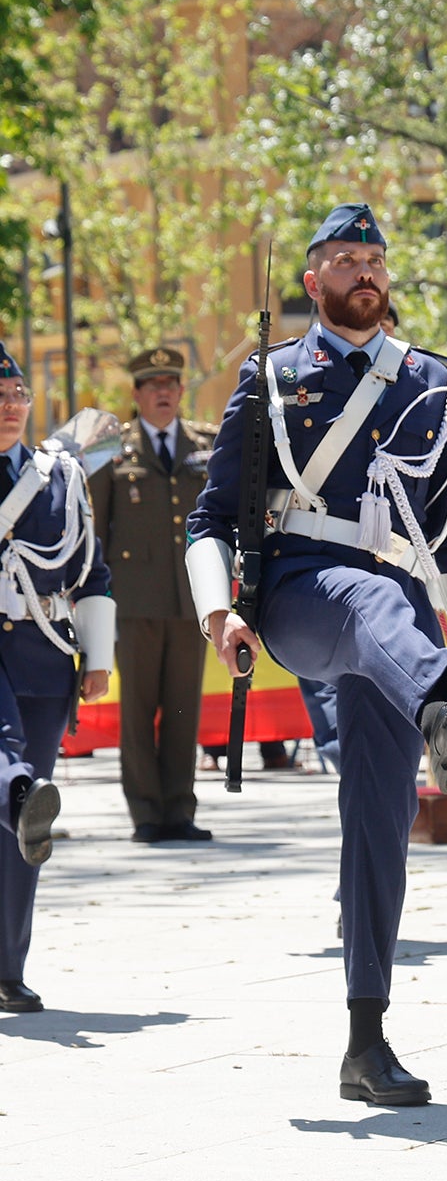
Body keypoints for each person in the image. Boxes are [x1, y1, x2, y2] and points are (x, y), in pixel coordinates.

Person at [188, 202, 447, 1104]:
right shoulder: (272, 377)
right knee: (368, 601)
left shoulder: (435, 384)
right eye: (345, 259)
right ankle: (444, 705)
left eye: (374, 257)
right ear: (312, 281)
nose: (364, 270)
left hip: (401, 619)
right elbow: (210, 518)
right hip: (300, 594)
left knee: (378, 817)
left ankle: (366, 1041)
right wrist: (221, 613)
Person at [0, 340, 113, 1013]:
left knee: (22, 822)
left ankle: (8, 965)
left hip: (44, 653)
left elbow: (91, 571)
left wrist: (97, 657)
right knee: (13, 775)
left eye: (17, 399)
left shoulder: (59, 475)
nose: (10, 410)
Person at [90, 346, 216, 842]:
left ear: (182, 391)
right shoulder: (111, 450)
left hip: (192, 599)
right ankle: (145, 812)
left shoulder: (206, 444)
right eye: (152, 385)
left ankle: (179, 810)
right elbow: (99, 528)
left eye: (171, 383)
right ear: (137, 394)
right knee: (138, 709)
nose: (163, 391)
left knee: (184, 706)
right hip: (135, 600)